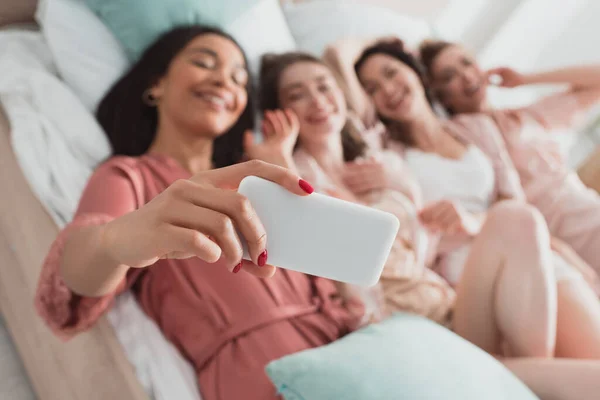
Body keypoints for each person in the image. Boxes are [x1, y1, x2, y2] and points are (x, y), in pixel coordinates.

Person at [34, 26, 366, 400]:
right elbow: (76, 271)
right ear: (156, 84)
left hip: (349, 347)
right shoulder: (130, 175)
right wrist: (118, 241)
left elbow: (334, 268)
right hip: (262, 368)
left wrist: (283, 168)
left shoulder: (254, 175)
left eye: (240, 79)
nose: (224, 80)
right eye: (204, 63)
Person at [355, 39, 600, 400]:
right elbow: (337, 60)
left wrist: (472, 220)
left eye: (392, 73)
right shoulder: (387, 157)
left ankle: (516, 383)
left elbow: (513, 202)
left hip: (534, 255)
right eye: (372, 89)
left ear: (417, 75)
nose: (388, 90)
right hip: (472, 275)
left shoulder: (475, 129)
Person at [419, 39, 600, 272]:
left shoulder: (527, 117)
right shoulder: (459, 136)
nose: (466, 75)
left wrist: (526, 79)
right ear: (440, 96)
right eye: (448, 76)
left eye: (467, 62)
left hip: (588, 212)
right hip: (550, 238)